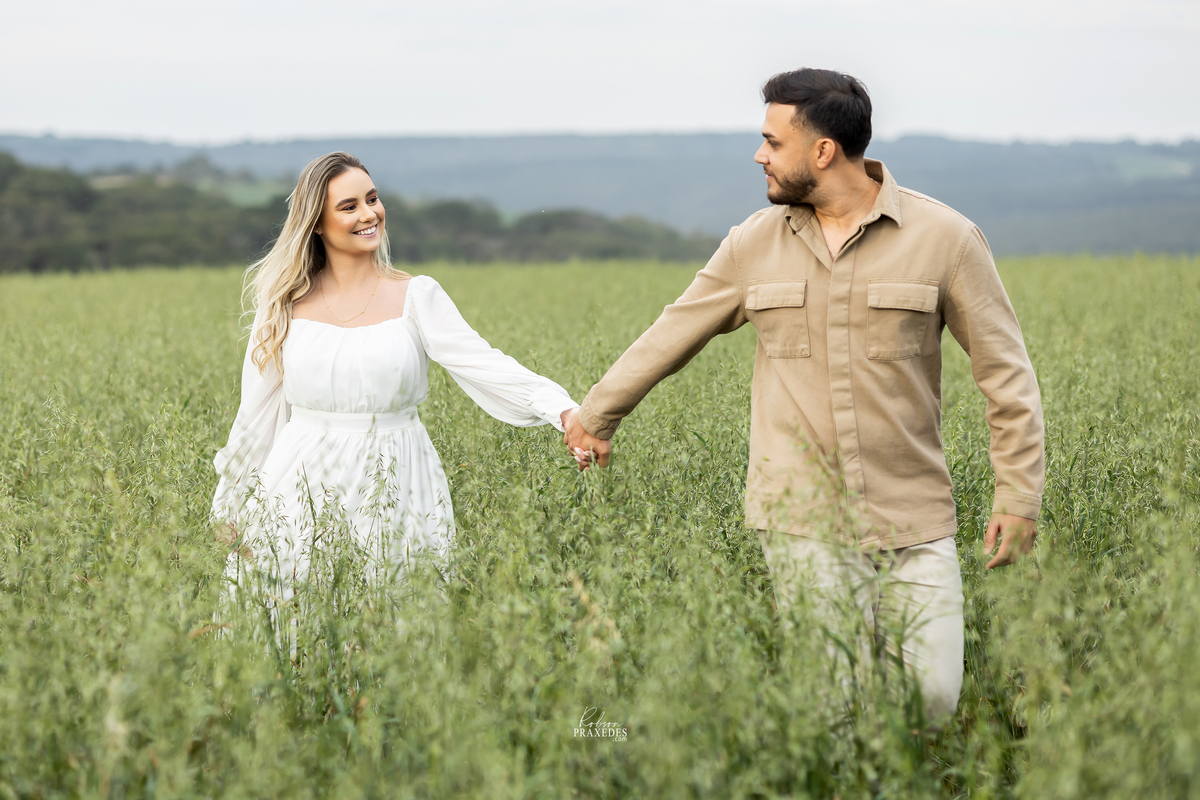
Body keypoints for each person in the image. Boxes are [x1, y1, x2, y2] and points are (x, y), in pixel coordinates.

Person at [562, 68, 1045, 723]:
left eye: (773, 141)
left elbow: (1006, 375)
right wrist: (596, 416)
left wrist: (1018, 496)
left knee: (930, 699)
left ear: (823, 150)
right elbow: (674, 330)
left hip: (913, 513)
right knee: (834, 708)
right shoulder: (752, 244)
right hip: (801, 519)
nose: (759, 155)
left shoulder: (946, 239)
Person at [212, 151, 578, 588]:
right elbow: (254, 416)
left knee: (396, 610)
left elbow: (486, 365)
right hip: (297, 485)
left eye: (372, 199)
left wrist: (565, 412)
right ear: (316, 223)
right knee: (291, 611)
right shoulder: (282, 305)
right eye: (349, 206)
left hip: (398, 480)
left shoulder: (417, 296)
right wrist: (230, 505)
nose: (369, 214)